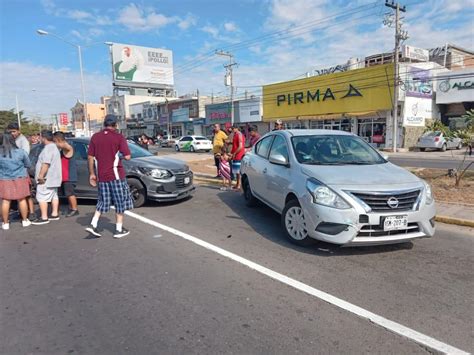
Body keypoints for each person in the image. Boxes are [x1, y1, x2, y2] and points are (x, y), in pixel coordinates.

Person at [86, 115, 133, 238]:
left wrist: (92, 173)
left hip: (102, 176)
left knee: (102, 201)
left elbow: (90, 157)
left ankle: (93, 224)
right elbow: (128, 156)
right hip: (116, 175)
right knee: (120, 202)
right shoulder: (118, 137)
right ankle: (118, 229)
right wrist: (118, 156)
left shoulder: (95, 137)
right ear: (115, 125)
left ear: (104, 124)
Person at [0, 132, 32, 230]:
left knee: (5, 200)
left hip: (4, 179)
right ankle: (25, 220)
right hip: (20, 178)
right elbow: (28, 164)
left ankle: (5, 223)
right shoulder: (21, 152)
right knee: (22, 199)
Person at [31, 130, 62, 225]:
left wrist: (40, 176)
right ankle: (54, 213)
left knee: (42, 197)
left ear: (43, 138)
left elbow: (46, 164)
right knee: (54, 196)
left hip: (47, 179)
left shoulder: (48, 148)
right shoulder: (54, 147)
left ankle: (44, 217)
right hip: (54, 178)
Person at [53, 132, 79, 217]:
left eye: (55, 141)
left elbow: (67, 147)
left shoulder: (68, 148)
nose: (55, 144)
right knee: (67, 194)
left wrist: (60, 142)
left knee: (70, 193)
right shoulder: (61, 149)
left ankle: (74, 209)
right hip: (64, 176)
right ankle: (71, 208)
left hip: (69, 176)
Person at [230, 125, 245, 191]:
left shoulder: (239, 135)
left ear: (236, 128)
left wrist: (235, 153)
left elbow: (240, 146)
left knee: (238, 171)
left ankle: (239, 185)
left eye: (233, 128)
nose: (232, 130)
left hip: (238, 155)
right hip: (235, 155)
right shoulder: (235, 134)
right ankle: (237, 184)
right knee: (236, 171)